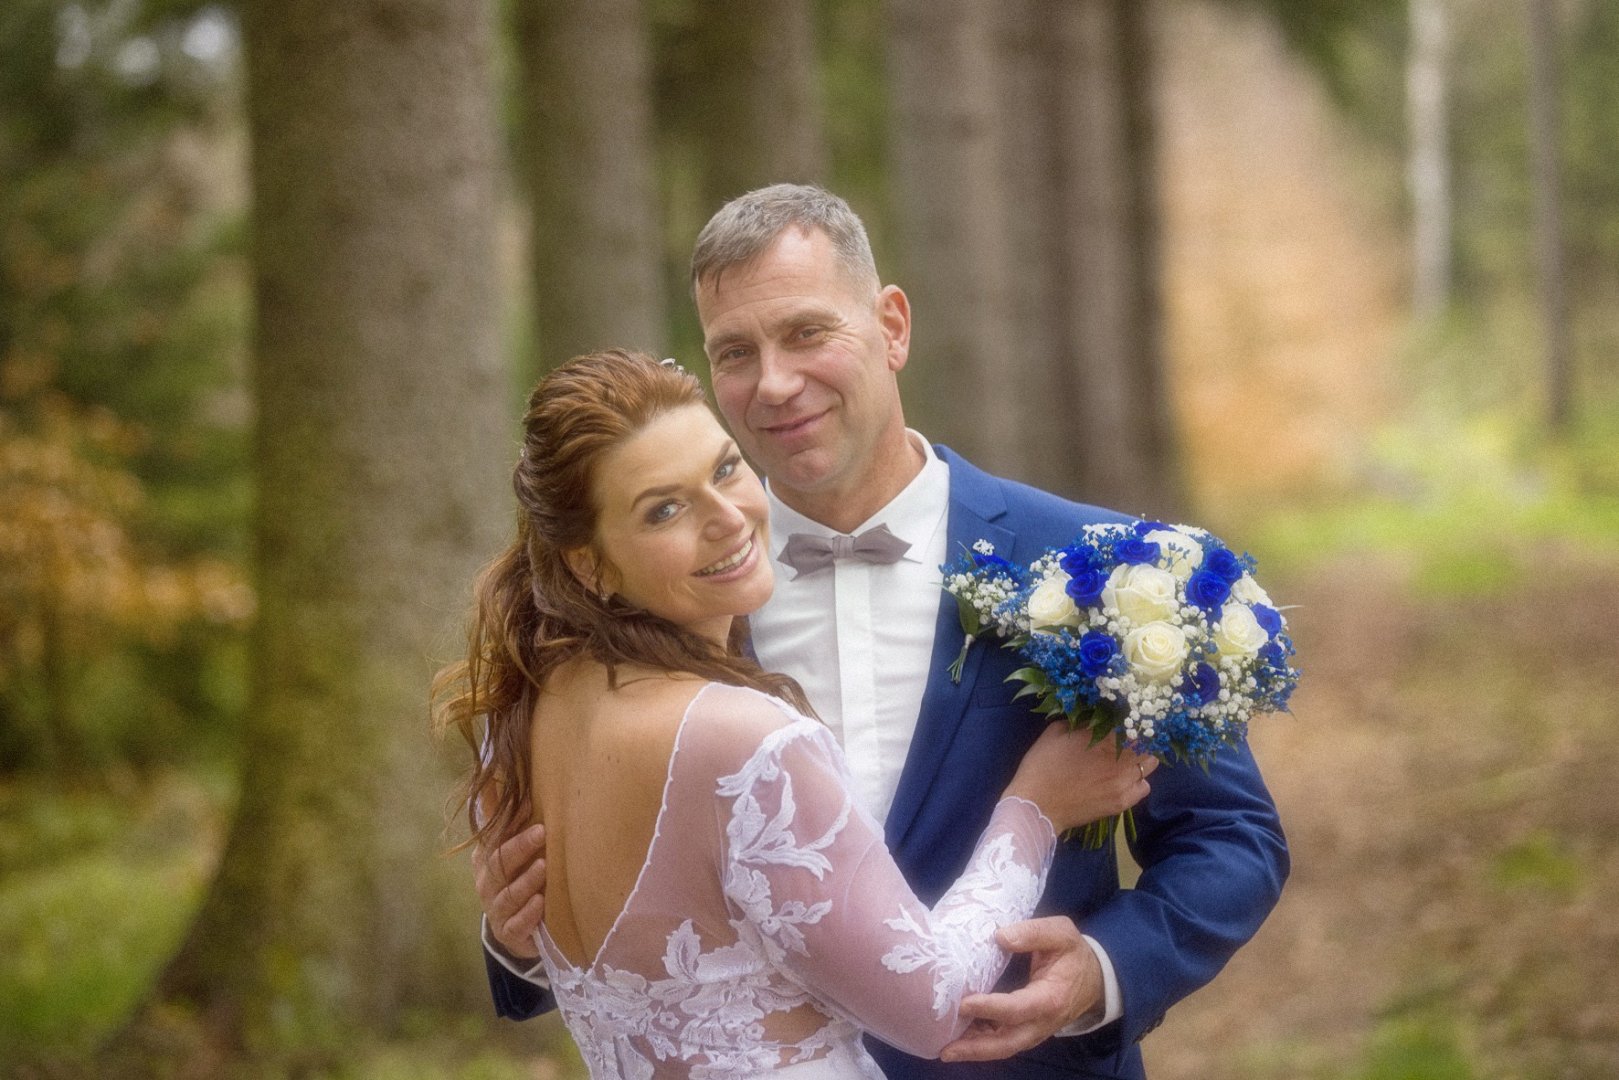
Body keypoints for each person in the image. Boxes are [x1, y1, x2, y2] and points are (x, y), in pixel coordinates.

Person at [477, 186, 1290, 1079]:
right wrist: (521, 937)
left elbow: (1230, 835)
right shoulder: (662, 612)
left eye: (806, 332)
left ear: (891, 327)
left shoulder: (1102, 566)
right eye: (735, 352)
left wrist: (1103, 970)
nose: (773, 383)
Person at [437, 349, 1157, 1079]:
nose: (728, 518)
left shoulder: (524, 710)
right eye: (665, 509)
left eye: (724, 469)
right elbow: (934, 1006)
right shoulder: (744, 740)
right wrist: (1035, 810)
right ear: (589, 563)